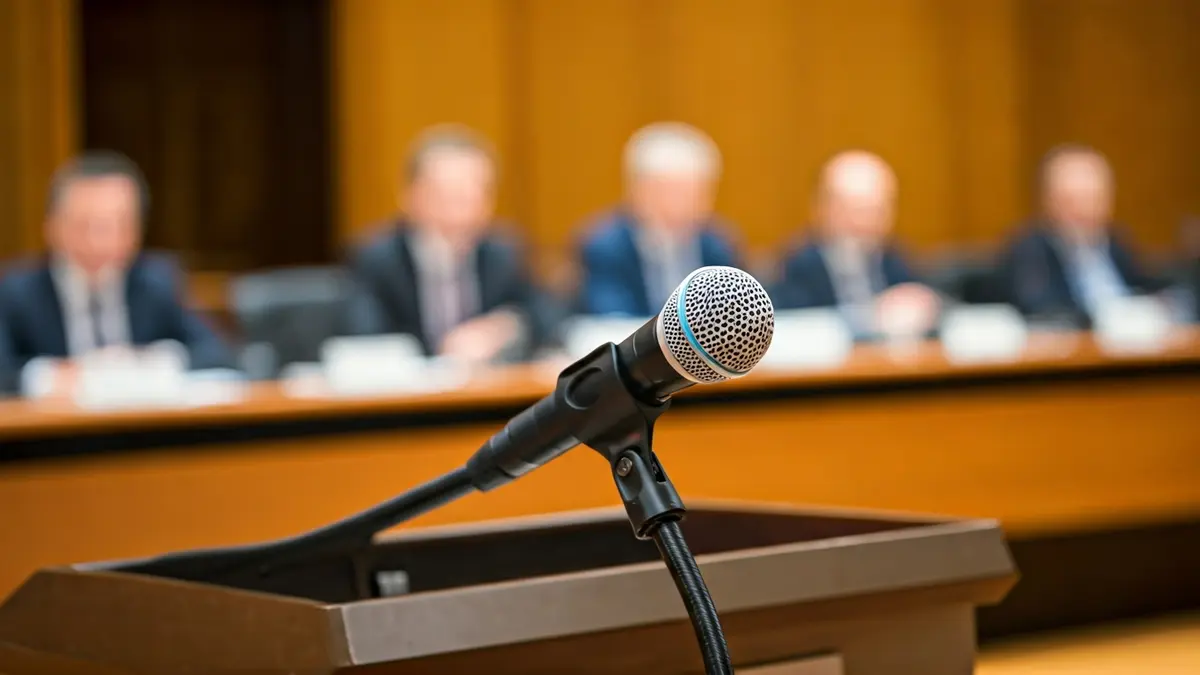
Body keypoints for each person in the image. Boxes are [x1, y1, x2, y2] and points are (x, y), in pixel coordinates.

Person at [0, 151, 235, 396]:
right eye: (84, 225)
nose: (98, 243)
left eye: (114, 226)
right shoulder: (16, 293)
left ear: (137, 231)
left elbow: (219, 353)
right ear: (51, 227)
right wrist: (47, 376)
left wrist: (150, 363)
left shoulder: (157, 282)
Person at [345, 125, 555, 362]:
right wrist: (441, 351)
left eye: (476, 194)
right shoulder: (378, 259)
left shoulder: (503, 251)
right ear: (409, 195)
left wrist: (500, 328)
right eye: (448, 195)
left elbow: (549, 320)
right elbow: (367, 339)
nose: (463, 212)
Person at [576, 122, 740, 316]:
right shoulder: (606, 247)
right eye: (673, 193)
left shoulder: (717, 244)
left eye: (698, 193)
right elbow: (611, 316)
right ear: (638, 191)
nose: (686, 205)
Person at [772, 150, 940, 338]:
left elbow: (938, 305)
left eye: (876, 210)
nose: (865, 222)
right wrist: (867, 319)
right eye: (855, 210)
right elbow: (792, 325)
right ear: (822, 208)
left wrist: (927, 305)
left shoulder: (895, 258)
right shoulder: (798, 264)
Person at [997, 144, 1169, 327]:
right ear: (1048, 202)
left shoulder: (1118, 243)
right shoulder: (1029, 252)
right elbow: (1043, 311)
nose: (1085, 212)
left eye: (1094, 200)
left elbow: (1151, 290)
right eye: (1073, 201)